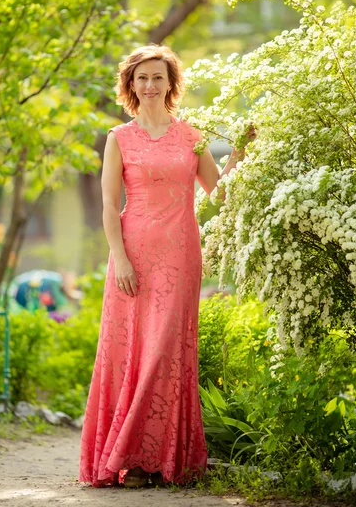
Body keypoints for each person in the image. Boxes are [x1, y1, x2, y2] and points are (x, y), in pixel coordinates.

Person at [78, 44, 256, 489]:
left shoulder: (191, 136)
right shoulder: (119, 137)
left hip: (180, 255)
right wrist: (119, 257)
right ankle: (134, 460)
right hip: (132, 256)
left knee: (163, 354)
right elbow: (107, 204)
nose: (150, 85)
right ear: (131, 85)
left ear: (171, 84)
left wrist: (240, 154)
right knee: (133, 354)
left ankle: (160, 458)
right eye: (142, 78)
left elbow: (217, 194)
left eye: (158, 77)